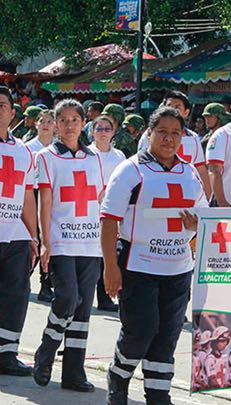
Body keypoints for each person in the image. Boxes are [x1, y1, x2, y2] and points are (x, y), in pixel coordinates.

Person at [101, 106, 208, 404]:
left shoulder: (188, 172)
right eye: (162, 131)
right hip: (138, 266)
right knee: (141, 330)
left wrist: (196, 223)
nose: (168, 139)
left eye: (176, 133)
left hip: (178, 269)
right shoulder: (131, 170)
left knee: (167, 336)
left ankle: (158, 394)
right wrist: (110, 267)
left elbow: (206, 216)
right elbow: (109, 219)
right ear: (149, 133)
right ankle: (118, 376)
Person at [33, 99, 104, 392]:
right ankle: (47, 347)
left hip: (90, 243)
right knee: (67, 299)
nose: (70, 124)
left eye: (75, 119)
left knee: (84, 309)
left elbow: (100, 198)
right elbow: (45, 201)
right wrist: (44, 241)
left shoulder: (94, 157)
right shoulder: (47, 157)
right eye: (63, 120)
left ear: (83, 123)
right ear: (56, 124)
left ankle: (74, 373)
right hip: (61, 240)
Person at [0, 86, 37, 377]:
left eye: (3, 104)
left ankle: (7, 353)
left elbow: (26, 195)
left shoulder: (23, 151)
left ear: (13, 113)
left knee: (15, 295)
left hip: (15, 233)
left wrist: (34, 235)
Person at [139, 91, 212, 199]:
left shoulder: (193, 137)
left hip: (186, 191)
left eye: (177, 107)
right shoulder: (150, 135)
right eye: (169, 106)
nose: (172, 110)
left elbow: (200, 169)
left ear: (186, 112)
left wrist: (207, 197)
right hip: (155, 192)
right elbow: (141, 165)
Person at [88, 115, 125, 312]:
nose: (103, 132)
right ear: (92, 131)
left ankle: (105, 298)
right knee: (89, 255)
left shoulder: (119, 156)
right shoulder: (86, 154)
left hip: (110, 211)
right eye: (99, 128)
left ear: (113, 132)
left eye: (107, 128)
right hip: (87, 209)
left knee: (107, 253)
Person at [25, 109, 56, 303]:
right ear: (36, 124)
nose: (45, 124)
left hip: (52, 198)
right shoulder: (28, 148)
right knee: (31, 239)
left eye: (50, 121)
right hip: (31, 195)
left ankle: (46, 285)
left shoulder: (58, 149)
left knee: (48, 239)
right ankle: (21, 279)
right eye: (42, 121)